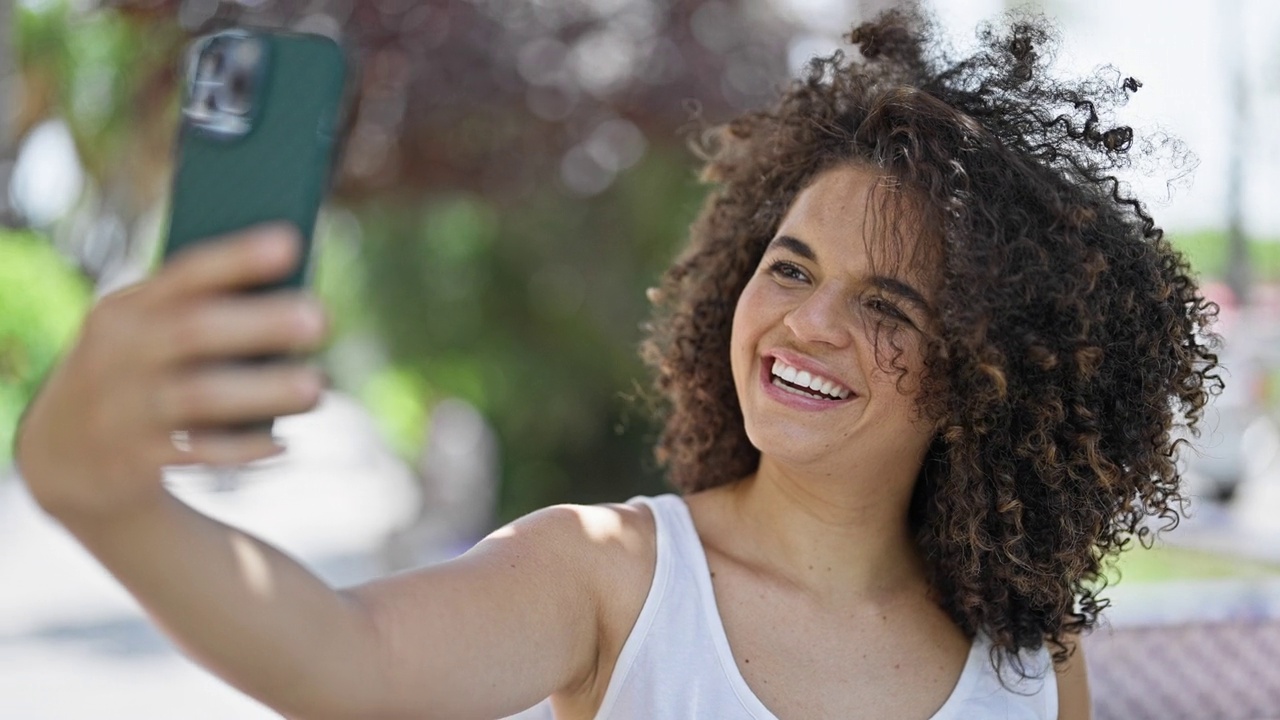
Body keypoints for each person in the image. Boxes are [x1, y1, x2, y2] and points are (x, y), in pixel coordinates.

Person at [14, 7, 1215, 720]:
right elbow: (341, 662)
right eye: (788, 268)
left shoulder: (1027, 658)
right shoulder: (610, 577)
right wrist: (98, 495)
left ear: (985, 374)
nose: (807, 324)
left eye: (886, 303)